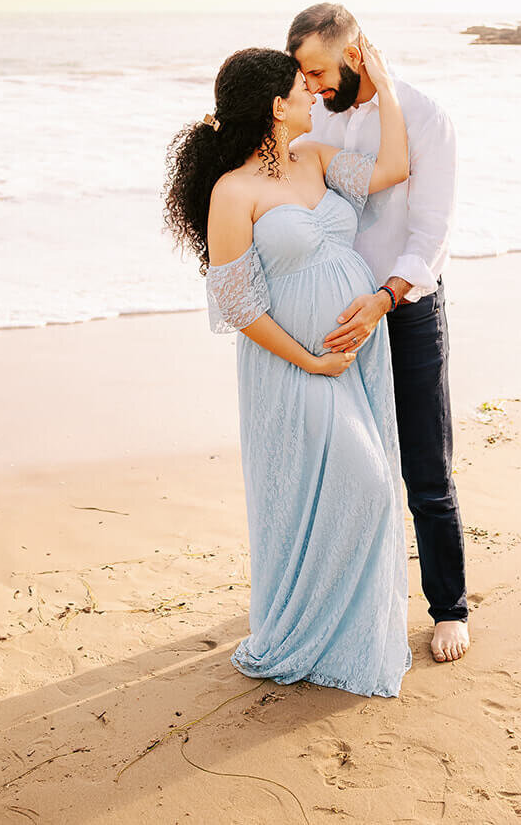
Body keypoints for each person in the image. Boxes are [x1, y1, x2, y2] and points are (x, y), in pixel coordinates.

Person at [162, 44, 413, 697]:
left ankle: (341, 633)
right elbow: (238, 307)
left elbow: (394, 167)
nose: (314, 97)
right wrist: (312, 360)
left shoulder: (319, 160)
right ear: (277, 106)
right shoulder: (233, 191)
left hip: (353, 356)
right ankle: (302, 628)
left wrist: (383, 83)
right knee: (360, 486)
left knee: (360, 486)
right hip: (292, 364)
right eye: (304, 88)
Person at [287, 4, 470, 665]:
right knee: (351, 468)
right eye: (302, 74)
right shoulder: (314, 115)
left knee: (425, 469)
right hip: (335, 313)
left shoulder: (425, 117)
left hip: (406, 305)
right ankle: (359, 599)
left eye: (318, 70)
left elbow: (432, 235)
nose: (310, 85)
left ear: (356, 53)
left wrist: (383, 297)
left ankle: (448, 606)